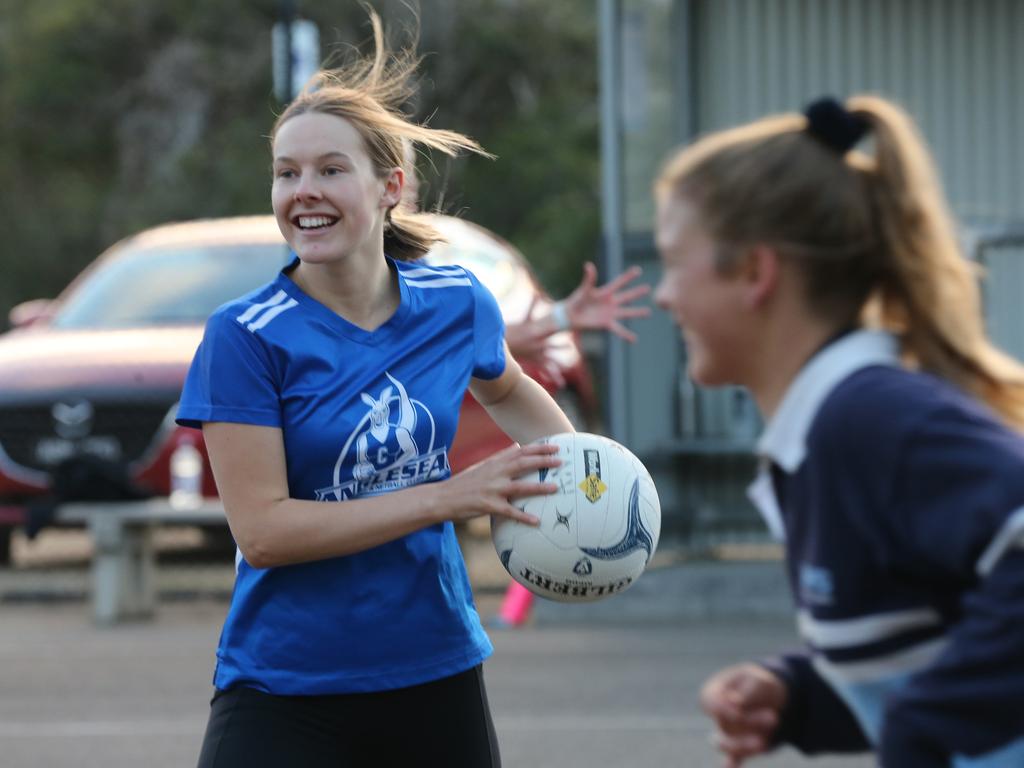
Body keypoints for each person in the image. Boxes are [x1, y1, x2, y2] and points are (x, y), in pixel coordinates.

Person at [176, 13, 575, 768]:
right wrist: (447, 497)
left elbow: (509, 388)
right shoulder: (246, 336)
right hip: (285, 685)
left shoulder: (457, 302)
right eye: (286, 172)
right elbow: (264, 533)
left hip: (434, 667)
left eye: (330, 169)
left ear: (390, 187)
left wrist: (588, 479)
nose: (303, 191)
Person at [652, 95, 1024, 767]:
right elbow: (939, 638)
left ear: (756, 273)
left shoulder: (868, 419)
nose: (662, 294)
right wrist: (800, 694)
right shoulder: (824, 433)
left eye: (675, 261)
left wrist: (923, 733)